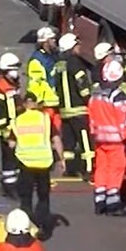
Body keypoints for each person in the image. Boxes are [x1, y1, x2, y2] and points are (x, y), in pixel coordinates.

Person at [9, 92, 65, 234]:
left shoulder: (18, 120)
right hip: (43, 163)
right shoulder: (45, 119)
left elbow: (11, 143)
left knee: (26, 197)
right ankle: (43, 226)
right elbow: (56, 139)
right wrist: (61, 159)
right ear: (35, 103)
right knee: (43, 196)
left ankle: (27, 226)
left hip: (25, 163)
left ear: (24, 104)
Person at [87, 59, 126, 215]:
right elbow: (123, 120)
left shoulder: (96, 93)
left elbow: (91, 114)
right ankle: (113, 201)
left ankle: (100, 199)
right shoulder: (119, 96)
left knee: (101, 168)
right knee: (116, 168)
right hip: (115, 141)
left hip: (100, 138)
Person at [52, 33, 93, 178]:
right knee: (85, 140)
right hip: (78, 109)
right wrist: (89, 98)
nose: (79, 48)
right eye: (77, 45)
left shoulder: (58, 64)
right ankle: (89, 169)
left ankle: (68, 169)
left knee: (68, 141)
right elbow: (82, 83)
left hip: (64, 110)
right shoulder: (76, 63)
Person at [0, 53, 23, 199]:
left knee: (16, 161)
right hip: (8, 132)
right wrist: (8, 136)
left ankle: (13, 186)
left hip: (16, 130)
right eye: (15, 68)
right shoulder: (0, 89)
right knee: (9, 164)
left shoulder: (13, 84)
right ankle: (9, 189)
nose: (17, 72)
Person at [26, 27, 59, 110]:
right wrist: (36, 102)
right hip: (46, 104)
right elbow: (35, 83)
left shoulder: (55, 55)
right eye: (51, 39)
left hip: (57, 101)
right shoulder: (37, 60)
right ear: (45, 42)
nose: (54, 41)